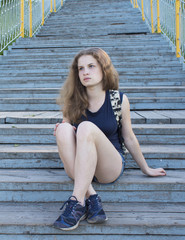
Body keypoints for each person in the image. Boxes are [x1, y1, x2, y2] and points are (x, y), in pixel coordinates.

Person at [53, 47, 166, 231]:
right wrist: (60, 130)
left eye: (91, 66)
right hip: (80, 166)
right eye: (80, 68)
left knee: (86, 127)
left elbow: (128, 137)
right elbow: (66, 136)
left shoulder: (118, 100)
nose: (85, 72)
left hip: (109, 166)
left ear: (104, 68)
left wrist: (146, 168)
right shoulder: (72, 101)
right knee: (63, 129)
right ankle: (92, 199)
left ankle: (76, 201)